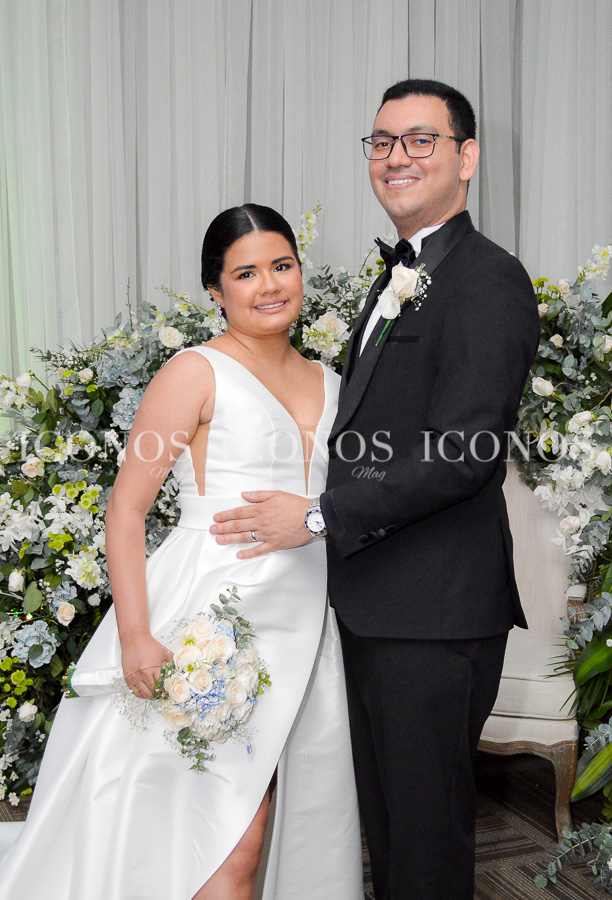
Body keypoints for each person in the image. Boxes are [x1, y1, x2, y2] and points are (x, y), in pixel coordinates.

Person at [209, 81, 541, 899]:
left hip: (434, 613)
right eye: (383, 142)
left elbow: (466, 453)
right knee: (391, 836)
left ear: (467, 156)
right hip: (377, 606)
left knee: (424, 841)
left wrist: (319, 514)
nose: (397, 157)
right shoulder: (403, 271)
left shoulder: (487, 278)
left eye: (421, 140)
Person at [0, 204, 363, 900]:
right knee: (228, 839)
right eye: (245, 273)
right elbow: (127, 508)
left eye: (282, 266)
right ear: (214, 292)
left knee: (289, 821)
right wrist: (135, 634)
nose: (269, 285)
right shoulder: (194, 372)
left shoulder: (334, 382)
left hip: (309, 626)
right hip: (214, 623)